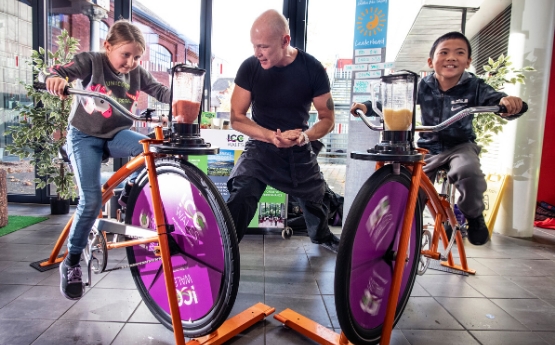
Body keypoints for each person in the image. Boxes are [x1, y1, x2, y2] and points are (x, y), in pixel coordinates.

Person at [350, 31, 526, 246]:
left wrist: (508, 103)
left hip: (461, 146)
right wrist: (366, 107)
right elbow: (392, 100)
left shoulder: (475, 86)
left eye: (459, 53)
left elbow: (498, 100)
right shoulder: (422, 86)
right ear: (430, 62)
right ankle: (405, 230)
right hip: (428, 148)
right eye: (444, 52)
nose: (451, 57)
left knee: (468, 171)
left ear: (468, 62)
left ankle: (474, 216)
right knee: (411, 186)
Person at [43, 20, 171, 300]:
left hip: (116, 133)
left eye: (137, 57)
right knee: (91, 201)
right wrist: (56, 79)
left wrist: (185, 94)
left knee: (151, 148)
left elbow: (162, 92)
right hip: (84, 136)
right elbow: (57, 72)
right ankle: (72, 261)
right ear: (108, 46)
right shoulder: (92, 62)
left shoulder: (137, 72)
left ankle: (128, 193)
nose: (131, 62)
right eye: (126, 54)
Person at [226, 9, 340, 253]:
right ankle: (223, 247)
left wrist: (304, 136)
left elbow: (328, 117)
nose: (257, 53)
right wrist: (270, 136)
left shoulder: (313, 69)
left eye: (264, 47)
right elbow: (236, 117)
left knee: (316, 197)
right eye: (254, 46)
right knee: (243, 190)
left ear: (285, 41)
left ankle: (321, 236)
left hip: (299, 144)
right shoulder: (250, 67)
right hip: (261, 145)